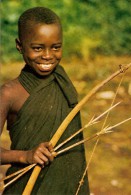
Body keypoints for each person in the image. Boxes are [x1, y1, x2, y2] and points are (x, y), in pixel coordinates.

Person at [0, 7, 90, 194]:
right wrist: (26, 156)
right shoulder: (9, 93)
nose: (48, 56)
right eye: (37, 48)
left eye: (56, 47)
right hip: (26, 186)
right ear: (19, 46)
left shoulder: (62, 81)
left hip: (69, 186)